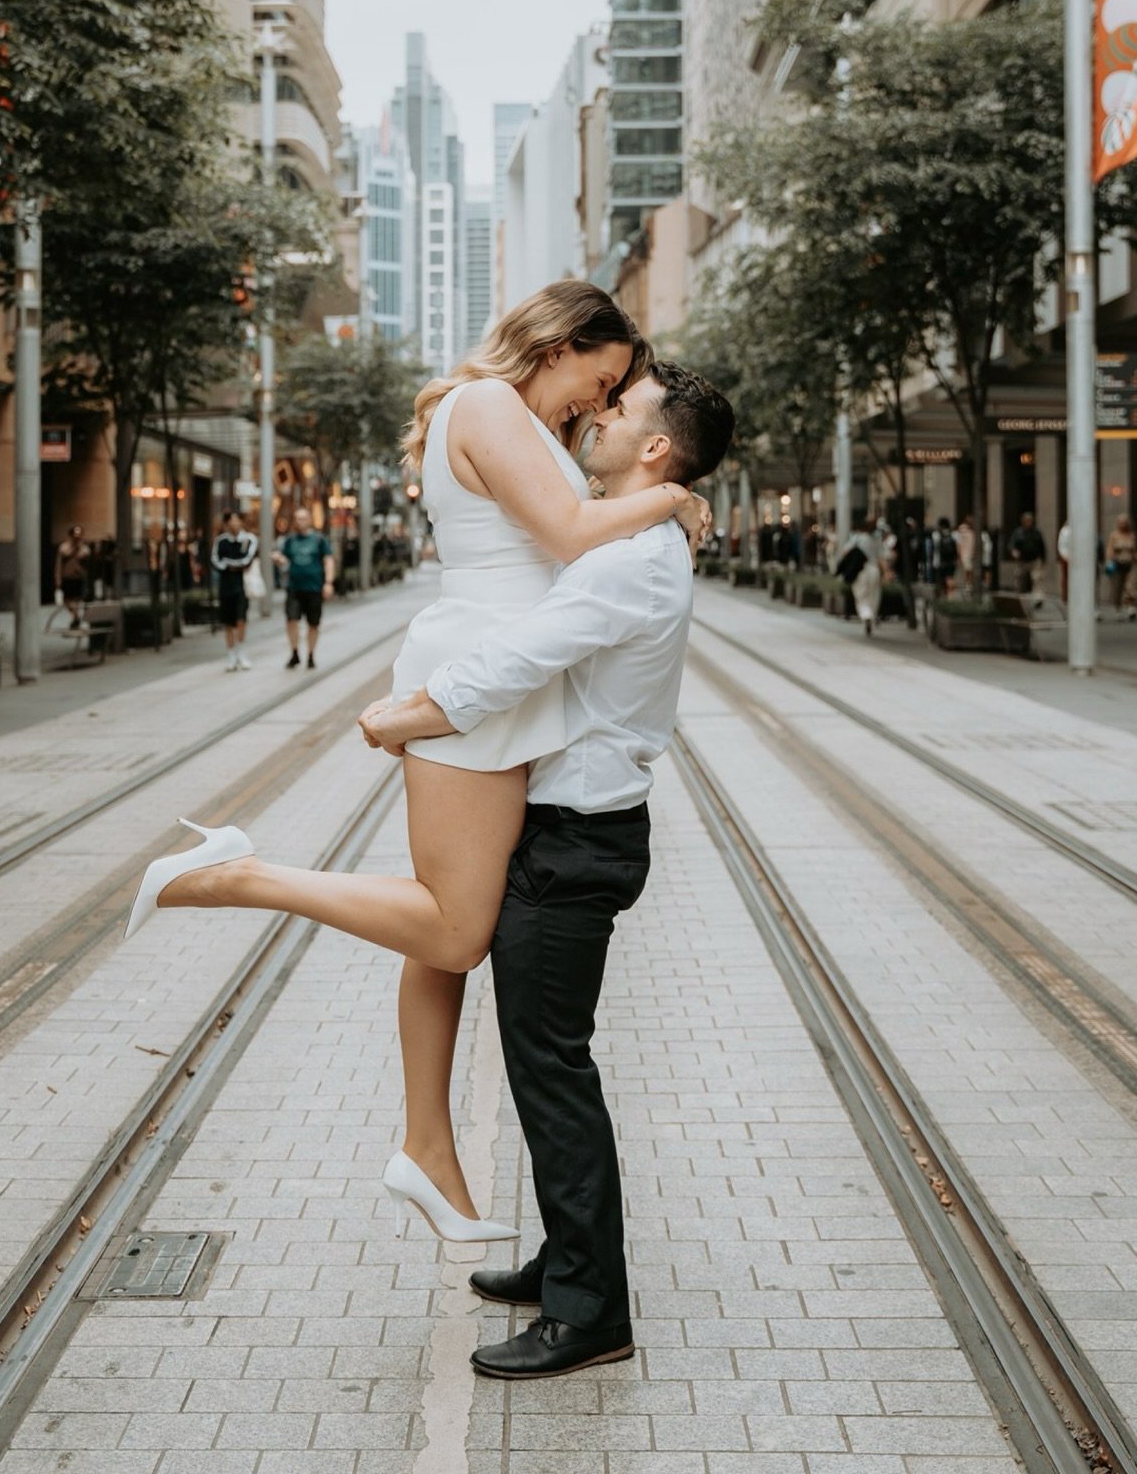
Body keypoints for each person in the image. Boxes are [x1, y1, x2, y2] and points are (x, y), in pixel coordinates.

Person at [128, 361, 734, 1380]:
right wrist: (677, 499)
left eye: (621, 409)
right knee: (547, 1064)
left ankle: (591, 1313)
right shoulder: (636, 531)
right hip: (577, 830)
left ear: (658, 448)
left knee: (554, 1074)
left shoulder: (632, 559)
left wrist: (404, 712)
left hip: (577, 838)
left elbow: (524, 655)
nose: (601, 413)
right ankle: (562, 1260)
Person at [275, 507, 335, 670]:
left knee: (313, 623)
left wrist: (328, 582)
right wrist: (279, 559)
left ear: (310, 520)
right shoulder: (290, 540)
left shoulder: (319, 540)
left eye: (302, 518)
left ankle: (310, 654)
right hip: (294, 587)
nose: (299, 521)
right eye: (297, 518)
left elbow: (328, 560)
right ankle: (294, 652)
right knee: (291, 619)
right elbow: (284, 559)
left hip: (314, 588)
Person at [212, 511, 258, 671]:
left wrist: (230, 564)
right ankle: (231, 654)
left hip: (242, 586)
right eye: (231, 521)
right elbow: (216, 561)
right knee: (228, 622)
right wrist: (231, 565)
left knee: (241, 619)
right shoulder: (221, 541)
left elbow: (247, 560)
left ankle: (241, 652)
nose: (234, 524)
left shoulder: (248, 539)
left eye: (237, 521)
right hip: (225, 586)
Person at [837, 519, 883, 636]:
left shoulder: (857, 538)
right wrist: (887, 572)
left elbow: (844, 552)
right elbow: (882, 558)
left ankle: (866, 614)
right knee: (874, 595)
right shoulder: (877, 540)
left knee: (861, 596)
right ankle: (872, 616)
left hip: (860, 571)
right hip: (874, 570)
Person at [1104, 513, 1137, 619]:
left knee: (1131, 587)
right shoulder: (1114, 535)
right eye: (1120, 523)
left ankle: (1131, 608)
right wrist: (1108, 561)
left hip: (1130, 563)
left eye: (1124, 523)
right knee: (1118, 588)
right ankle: (1118, 609)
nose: (1122, 525)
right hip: (1117, 563)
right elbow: (1110, 550)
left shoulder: (1132, 535)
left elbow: (1135, 550)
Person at [55, 525, 90, 629]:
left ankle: (75, 619)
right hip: (67, 577)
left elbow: (88, 564)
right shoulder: (63, 548)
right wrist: (58, 578)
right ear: (71, 536)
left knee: (77, 599)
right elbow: (58, 565)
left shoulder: (84, 550)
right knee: (67, 600)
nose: (77, 538)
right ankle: (76, 617)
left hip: (79, 578)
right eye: (75, 535)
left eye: (79, 535)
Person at [1007, 510, 1046, 597]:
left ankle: (1038, 597)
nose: (1029, 523)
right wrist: (1013, 551)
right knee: (1019, 578)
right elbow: (1011, 544)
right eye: (1027, 521)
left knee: (1037, 579)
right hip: (1022, 560)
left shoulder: (1036, 533)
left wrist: (1043, 559)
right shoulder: (1018, 532)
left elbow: (1042, 546)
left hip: (1034, 560)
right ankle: (1018, 596)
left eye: (1030, 521)